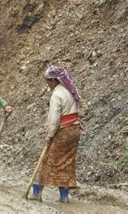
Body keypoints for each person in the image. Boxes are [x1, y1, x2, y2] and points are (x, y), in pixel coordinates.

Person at [30, 66, 86, 203]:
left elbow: (54, 120)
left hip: (64, 131)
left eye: (48, 81)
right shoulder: (71, 90)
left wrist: (49, 136)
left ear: (54, 81)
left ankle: (37, 193)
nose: (48, 85)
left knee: (47, 160)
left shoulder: (57, 94)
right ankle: (64, 197)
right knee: (67, 162)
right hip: (75, 130)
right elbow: (83, 107)